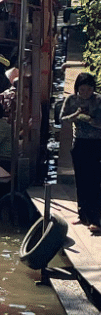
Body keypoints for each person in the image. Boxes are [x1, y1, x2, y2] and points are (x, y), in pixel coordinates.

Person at [60, 72, 101, 231]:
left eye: (88, 90)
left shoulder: (98, 100)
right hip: (79, 142)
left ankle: (95, 219)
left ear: (92, 89)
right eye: (82, 90)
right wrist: (76, 115)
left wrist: (90, 120)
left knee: (94, 181)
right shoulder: (71, 100)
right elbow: (62, 119)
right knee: (81, 180)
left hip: (96, 143)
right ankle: (82, 214)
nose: (85, 94)